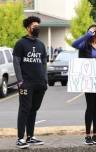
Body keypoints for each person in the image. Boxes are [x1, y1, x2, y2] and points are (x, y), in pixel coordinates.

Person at [13, 16, 48, 149]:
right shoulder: (20, 43)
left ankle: (30, 136)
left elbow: (44, 62)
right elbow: (16, 62)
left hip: (40, 84)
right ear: (28, 28)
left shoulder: (41, 44)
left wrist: (45, 80)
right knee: (24, 109)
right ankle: (20, 138)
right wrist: (20, 81)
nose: (37, 28)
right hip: (26, 83)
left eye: (38, 26)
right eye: (34, 26)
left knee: (34, 109)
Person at [72, 24, 96, 145]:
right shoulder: (84, 45)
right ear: (93, 32)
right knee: (90, 107)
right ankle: (87, 135)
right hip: (88, 80)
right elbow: (74, 44)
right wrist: (87, 35)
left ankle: (95, 134)